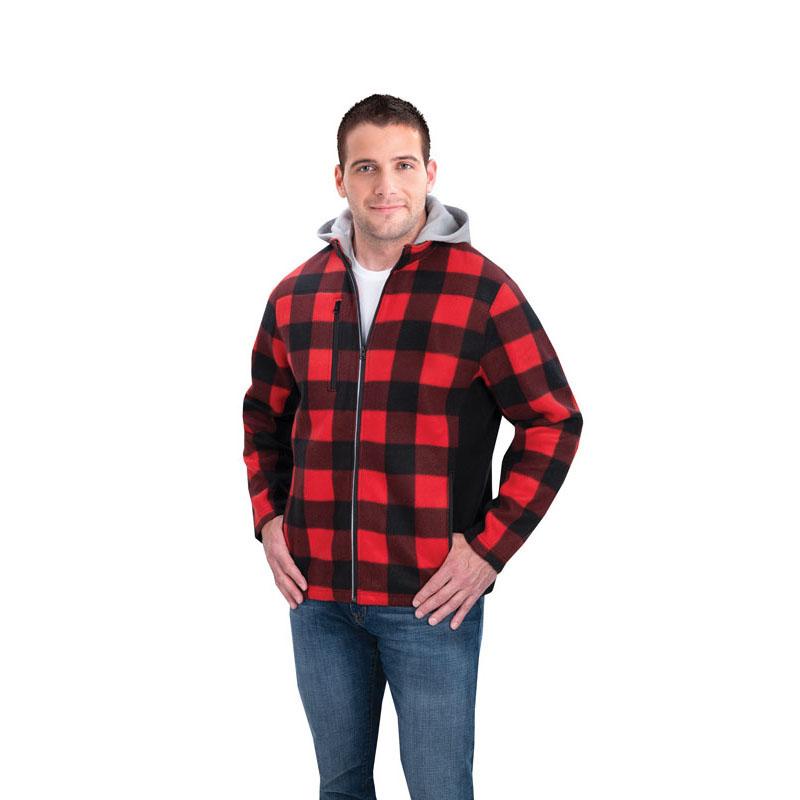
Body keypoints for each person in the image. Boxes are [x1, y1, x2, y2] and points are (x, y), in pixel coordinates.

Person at [242, 93, 583, 800]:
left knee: (438, 789)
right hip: (318, 596)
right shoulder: (295, 295)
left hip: (429, 597)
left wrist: (488, 549)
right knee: (339, 787)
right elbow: (263, 420)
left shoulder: (483, 293)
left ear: (430, 172)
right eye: (365, 167)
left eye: (403, 165)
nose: (385, 186)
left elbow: (553, 420)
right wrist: (269, 519)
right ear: (340, 178)